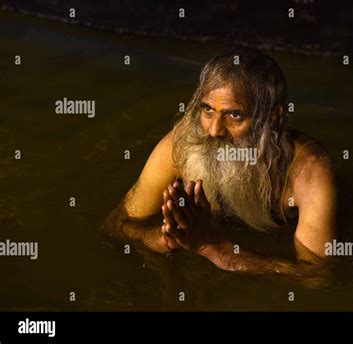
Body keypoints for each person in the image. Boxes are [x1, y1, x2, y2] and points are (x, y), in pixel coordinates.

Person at [102, 47, 336, 276]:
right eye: (207, 109)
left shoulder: (309, 172)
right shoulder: (184, 145)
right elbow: (115, 224)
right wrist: (165, 239)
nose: (214, 130)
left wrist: (217, 250)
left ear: (272, 116)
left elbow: (316, 276)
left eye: (234, 115)